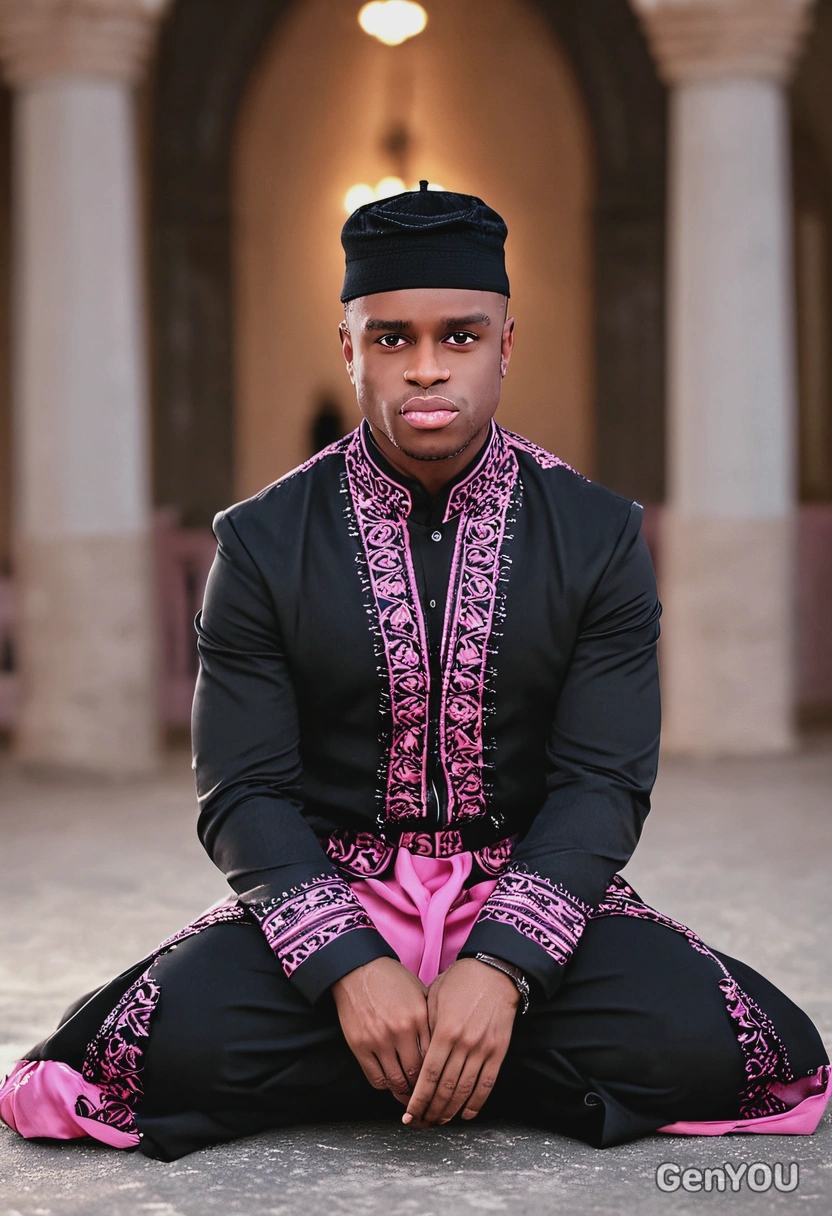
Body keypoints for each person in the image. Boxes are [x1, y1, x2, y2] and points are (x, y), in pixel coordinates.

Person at [1, 182, 829, 1162]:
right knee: (159, 1045)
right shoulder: (262, 541)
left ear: (506, 344)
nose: (426, 370)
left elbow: (601, 784)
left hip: (528, 885)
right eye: (391, 339)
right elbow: (244, 792)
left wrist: (501, 966)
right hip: (331, 892)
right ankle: (453, 1055)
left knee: (714, 1039)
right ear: (348, 347)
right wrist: (349, 967)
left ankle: (427, 1051)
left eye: (460, 337)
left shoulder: (597, 535)